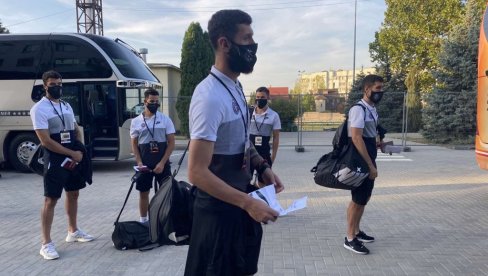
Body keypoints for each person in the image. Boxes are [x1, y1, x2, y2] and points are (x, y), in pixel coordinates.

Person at [184, 9, 284, 276]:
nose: (253, 45)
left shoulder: (236, 87)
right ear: (224, 43)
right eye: (247, 38)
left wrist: (263, 167)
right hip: (217, 219)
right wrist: (248, 203)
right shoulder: (209, 96)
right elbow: (196, 172)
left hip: (239, 207)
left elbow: (242, 141)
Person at [30, 70, 94, 260]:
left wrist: (79, 151)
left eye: (60, 84)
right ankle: (46, 243)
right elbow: (45, 141)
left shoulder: (66, 106)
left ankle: (73, 231)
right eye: (53, 84)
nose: (57, 87)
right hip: (56, 159)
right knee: (51, 199)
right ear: (45, 86)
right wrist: (70, 154)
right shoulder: (39, 109)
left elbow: (75, 130)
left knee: (74, 193)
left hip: (72, 156)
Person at [343, 74, 385, 255]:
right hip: (360, 160)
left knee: (364, 197)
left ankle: (357, 231)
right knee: (357, 199)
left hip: (369, 156)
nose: (380, 92)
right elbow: (356, 137)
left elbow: (367, 135)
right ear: (366, 89)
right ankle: (350, 238)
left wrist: (379, 143)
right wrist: (370, 165)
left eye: (381, 89)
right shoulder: (358, 109)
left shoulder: (372, 109)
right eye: (377, 89)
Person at [130, 88, 175, 223]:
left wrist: (162, 163)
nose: (154, 104)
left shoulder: (165, 119)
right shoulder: (136, 121)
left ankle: (164, 221)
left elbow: (171, 143)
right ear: (145, 102)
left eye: (157, 101)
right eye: (151, 101)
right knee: (143, 193)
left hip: (162, 164)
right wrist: (139, 163)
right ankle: (144, 221)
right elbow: (134, 145)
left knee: (165, 194)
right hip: (144, 165)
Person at [249, 86, 281, 186]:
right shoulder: (249, 113)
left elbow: (276, 138)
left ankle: (263, 200)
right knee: (246, 181)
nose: (259, 99)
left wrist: (273, 157)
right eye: (258, 97)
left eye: (262, 97)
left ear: (268, 98)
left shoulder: (274, 115)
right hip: (249, 153)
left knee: (264, 183)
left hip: (264, 154)